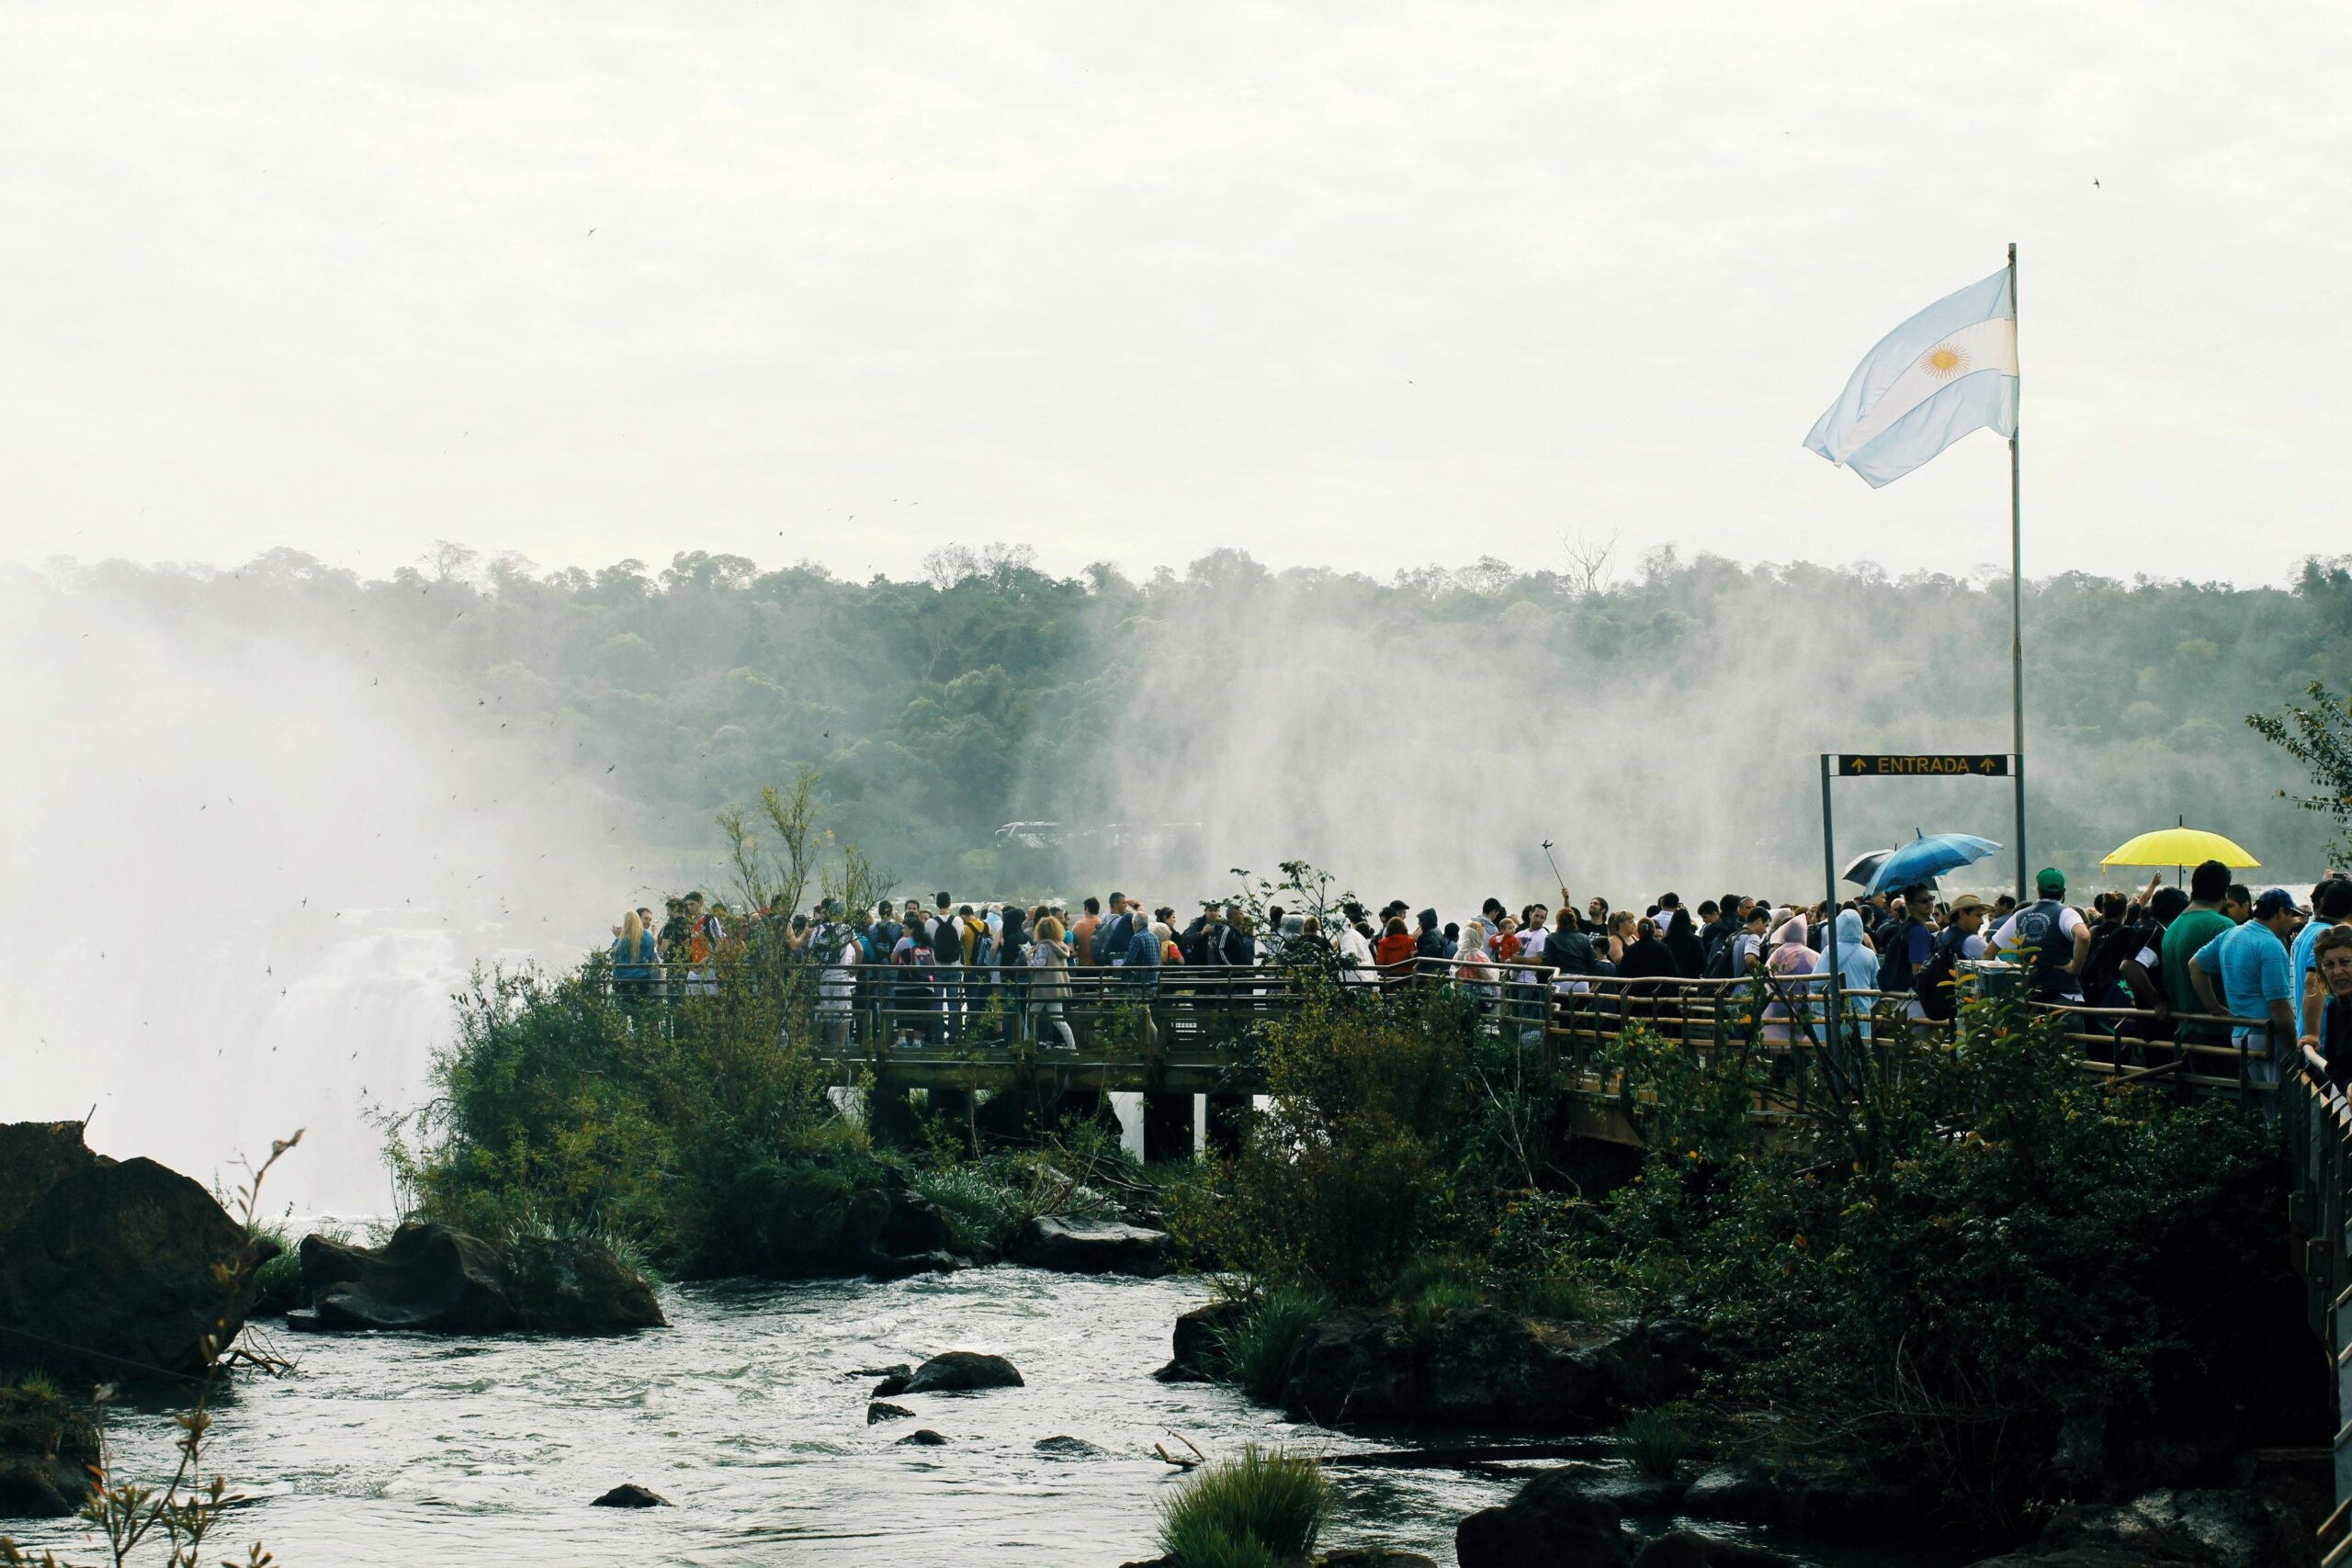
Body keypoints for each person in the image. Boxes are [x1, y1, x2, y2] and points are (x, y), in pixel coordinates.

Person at [2190, 887, 2303, 1084]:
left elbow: (2195, 966)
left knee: (2259, 1100)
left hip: (2240, 1035)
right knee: (2281, 1103)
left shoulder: (2231, 934)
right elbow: (2278, 1005)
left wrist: (2213, 1007)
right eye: (2291, 915)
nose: (2292, 921)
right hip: (2267, 1037)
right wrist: (2294, 1046)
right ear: (2280, 912)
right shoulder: (2271, 945)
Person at [2161, 860, 2238, 1049]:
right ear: (2225, 891)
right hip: (2218, 1030)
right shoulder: (2223, 926)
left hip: (2184, 1028)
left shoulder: (2172, 927)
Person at [1985, 869, 2091, 1001]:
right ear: (2063, 891)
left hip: (2030, 999)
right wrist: (2075, 967)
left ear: (2038, 890)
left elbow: (1988, 953)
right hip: (2064, 997)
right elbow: (2084, 936)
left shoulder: (2019, 916)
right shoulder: (2067, 914)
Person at [2291, 878, 2352, 1038]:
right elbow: (2312, 982)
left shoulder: (2307, 931)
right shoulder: (2329, 937)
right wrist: (2313, 1034)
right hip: (2323, 1034)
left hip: (2307, 1029)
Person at [2300, 923, 2352, 1084]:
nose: (2336, 972)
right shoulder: (2335, 1009)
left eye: (2345, 962)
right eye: (2328, 965)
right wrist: (2348, 1086)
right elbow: (2335, 1067)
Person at [1028, 915, 1080, 1052]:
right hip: (1058, 988)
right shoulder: (1061, 945)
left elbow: (1037, 966)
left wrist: (1027, 957)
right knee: (1058, 1019)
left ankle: (1026, 1049)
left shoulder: (1043, 946)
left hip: (1042, 989)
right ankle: (1073, 1048)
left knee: (1031, 1016)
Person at [609, 909, 656, 998]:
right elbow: (650, 954)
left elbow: (614, 954)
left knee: (624, 1007)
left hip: (624, 977)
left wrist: (618, 938)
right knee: (641, 1005)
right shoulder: (648, 937)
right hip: (643, 976)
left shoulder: (625, 938)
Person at [1661, 908, 1704, 977]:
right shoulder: (1696, 940)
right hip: (1691, 980)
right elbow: (1703, 965)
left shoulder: (1665, 941)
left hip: (1671, 981)